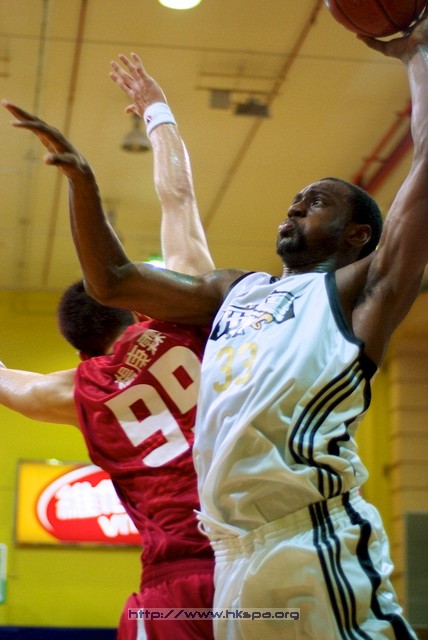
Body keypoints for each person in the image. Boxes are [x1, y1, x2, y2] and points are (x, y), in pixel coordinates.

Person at [6, 22, 428, 638]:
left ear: (358, 236)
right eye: (296, 197)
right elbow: (121, 272)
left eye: (316, 201)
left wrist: (417, 55)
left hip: (302, 536)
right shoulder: (230, 296)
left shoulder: (358, 294)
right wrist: (90, 181)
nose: (295, 204)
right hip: (229, 557)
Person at [1, 61, 215, 640]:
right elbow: (178, 199)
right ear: (138, 305)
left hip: (172, 585)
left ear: (79, 351)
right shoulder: (186, 315)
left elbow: (6, 382)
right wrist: (157, 111)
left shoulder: (77, 390)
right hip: (258, 558)